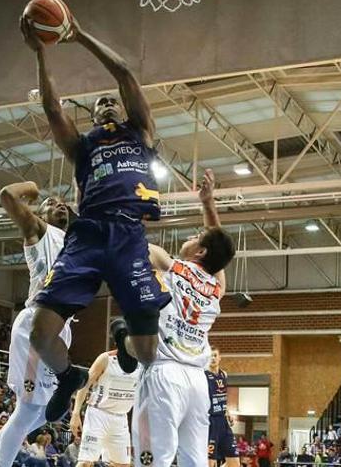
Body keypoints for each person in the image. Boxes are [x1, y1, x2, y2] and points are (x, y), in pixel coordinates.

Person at [20, 9, 170, 422]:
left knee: (147, 353)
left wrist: (79, 32)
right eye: (99, 103)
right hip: (86, 235)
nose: (106, 104)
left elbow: (124, 72)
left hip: (127, 234)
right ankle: (69, 377)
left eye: (111, 101)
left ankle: (124, 336)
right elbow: (52, 108)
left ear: (119, 110)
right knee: (39, 334)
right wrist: (41, 52)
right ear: (92, 117)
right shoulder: (83, 147)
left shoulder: (138, 132)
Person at [129, 170, 235, 467]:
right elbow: (219, 250)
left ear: (199, 251)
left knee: (153, 461)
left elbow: (137, 247)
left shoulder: (171, 265)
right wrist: (208, 204)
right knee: (195, 462)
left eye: (196, 237)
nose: (192, 236)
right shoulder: (216, 288)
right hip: (197, 383)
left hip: (166, 373)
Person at [0, 180, 72, 467]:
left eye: (63, 202)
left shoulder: (74, 244)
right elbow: (7, 195)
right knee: (28, 410)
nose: (59, 204)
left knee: (45, 413)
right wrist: (30, 187)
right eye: (51, 203)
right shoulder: (39, 231)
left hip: (61, 326)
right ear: (39, 214)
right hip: (36, 323)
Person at [70, 350, 138, 467]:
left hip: (121, 418)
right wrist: (75, 414)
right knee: (86, 463)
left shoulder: (143, 362)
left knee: (122, 465)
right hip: (98, 415)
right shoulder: (106, 358)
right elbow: (84, 385)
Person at [207, 348, 239, 467]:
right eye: (210, 356)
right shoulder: (203, 374)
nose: (213, 358)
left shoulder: (224, 374)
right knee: (210, 463)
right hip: (211, 421)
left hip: (223, 421)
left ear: (220, 358)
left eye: (215, 355)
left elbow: (222, 396)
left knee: (235, 463)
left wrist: (228, 411)